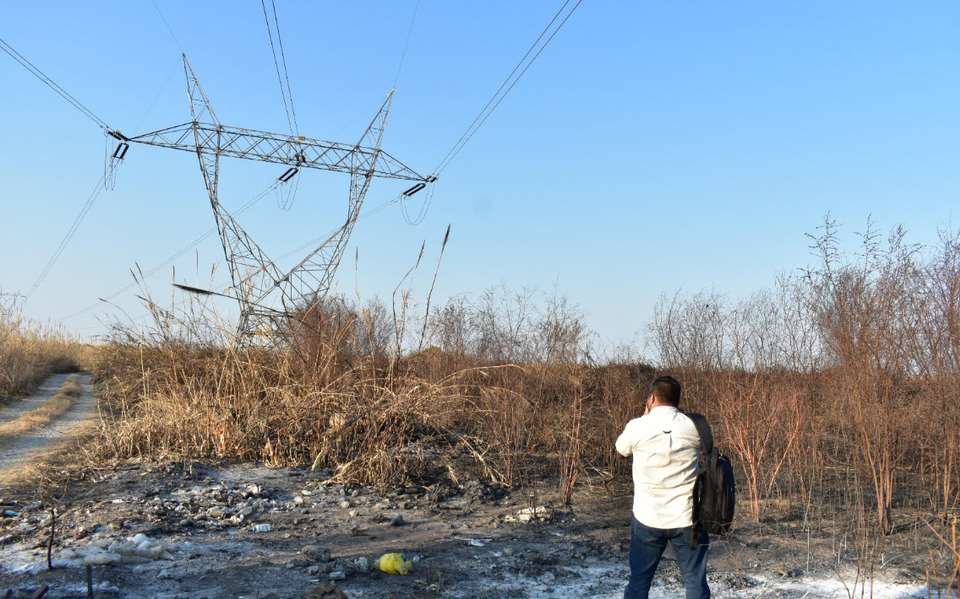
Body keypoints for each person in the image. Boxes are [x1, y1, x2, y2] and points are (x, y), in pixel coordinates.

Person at [615, 375, 710, 599]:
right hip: (688, 517)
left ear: (652, 398)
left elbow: (621, 449)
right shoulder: (695, 425)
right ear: (677, 400)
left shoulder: (637, 426)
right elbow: (708, 451)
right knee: (695, 581)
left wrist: (645, 416)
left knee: (639, 582)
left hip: (648, 517)